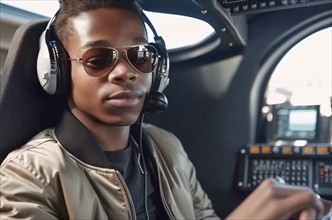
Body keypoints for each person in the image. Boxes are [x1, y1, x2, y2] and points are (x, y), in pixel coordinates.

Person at [0, 0, 331, 219]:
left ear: (157, 70)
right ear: (56, 72)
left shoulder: (166, 148)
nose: (125, 72)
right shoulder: (27, 175)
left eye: (140, 56)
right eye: (98, 60)